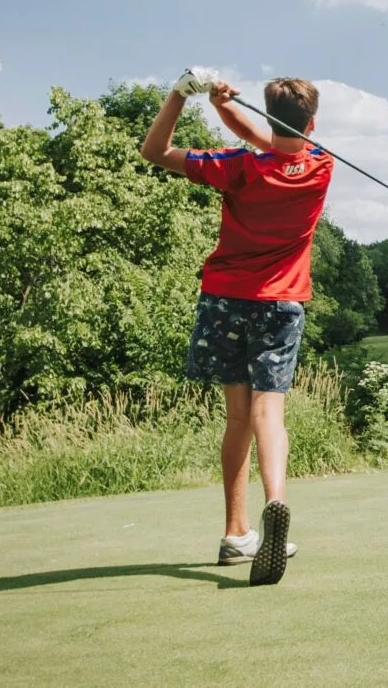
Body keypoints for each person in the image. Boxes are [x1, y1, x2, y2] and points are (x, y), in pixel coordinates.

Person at [140, 68, 333, 586]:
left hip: (225, 299)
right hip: (280, 302)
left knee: (236, 418)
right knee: (269, 411)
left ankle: (235, 533)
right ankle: (275, 502)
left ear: (269, 115)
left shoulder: (238, 166)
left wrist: (186, 96)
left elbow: (154, 151)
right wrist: (227, 110)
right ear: (312, 123)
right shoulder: (321, 165)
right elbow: (277, 142)